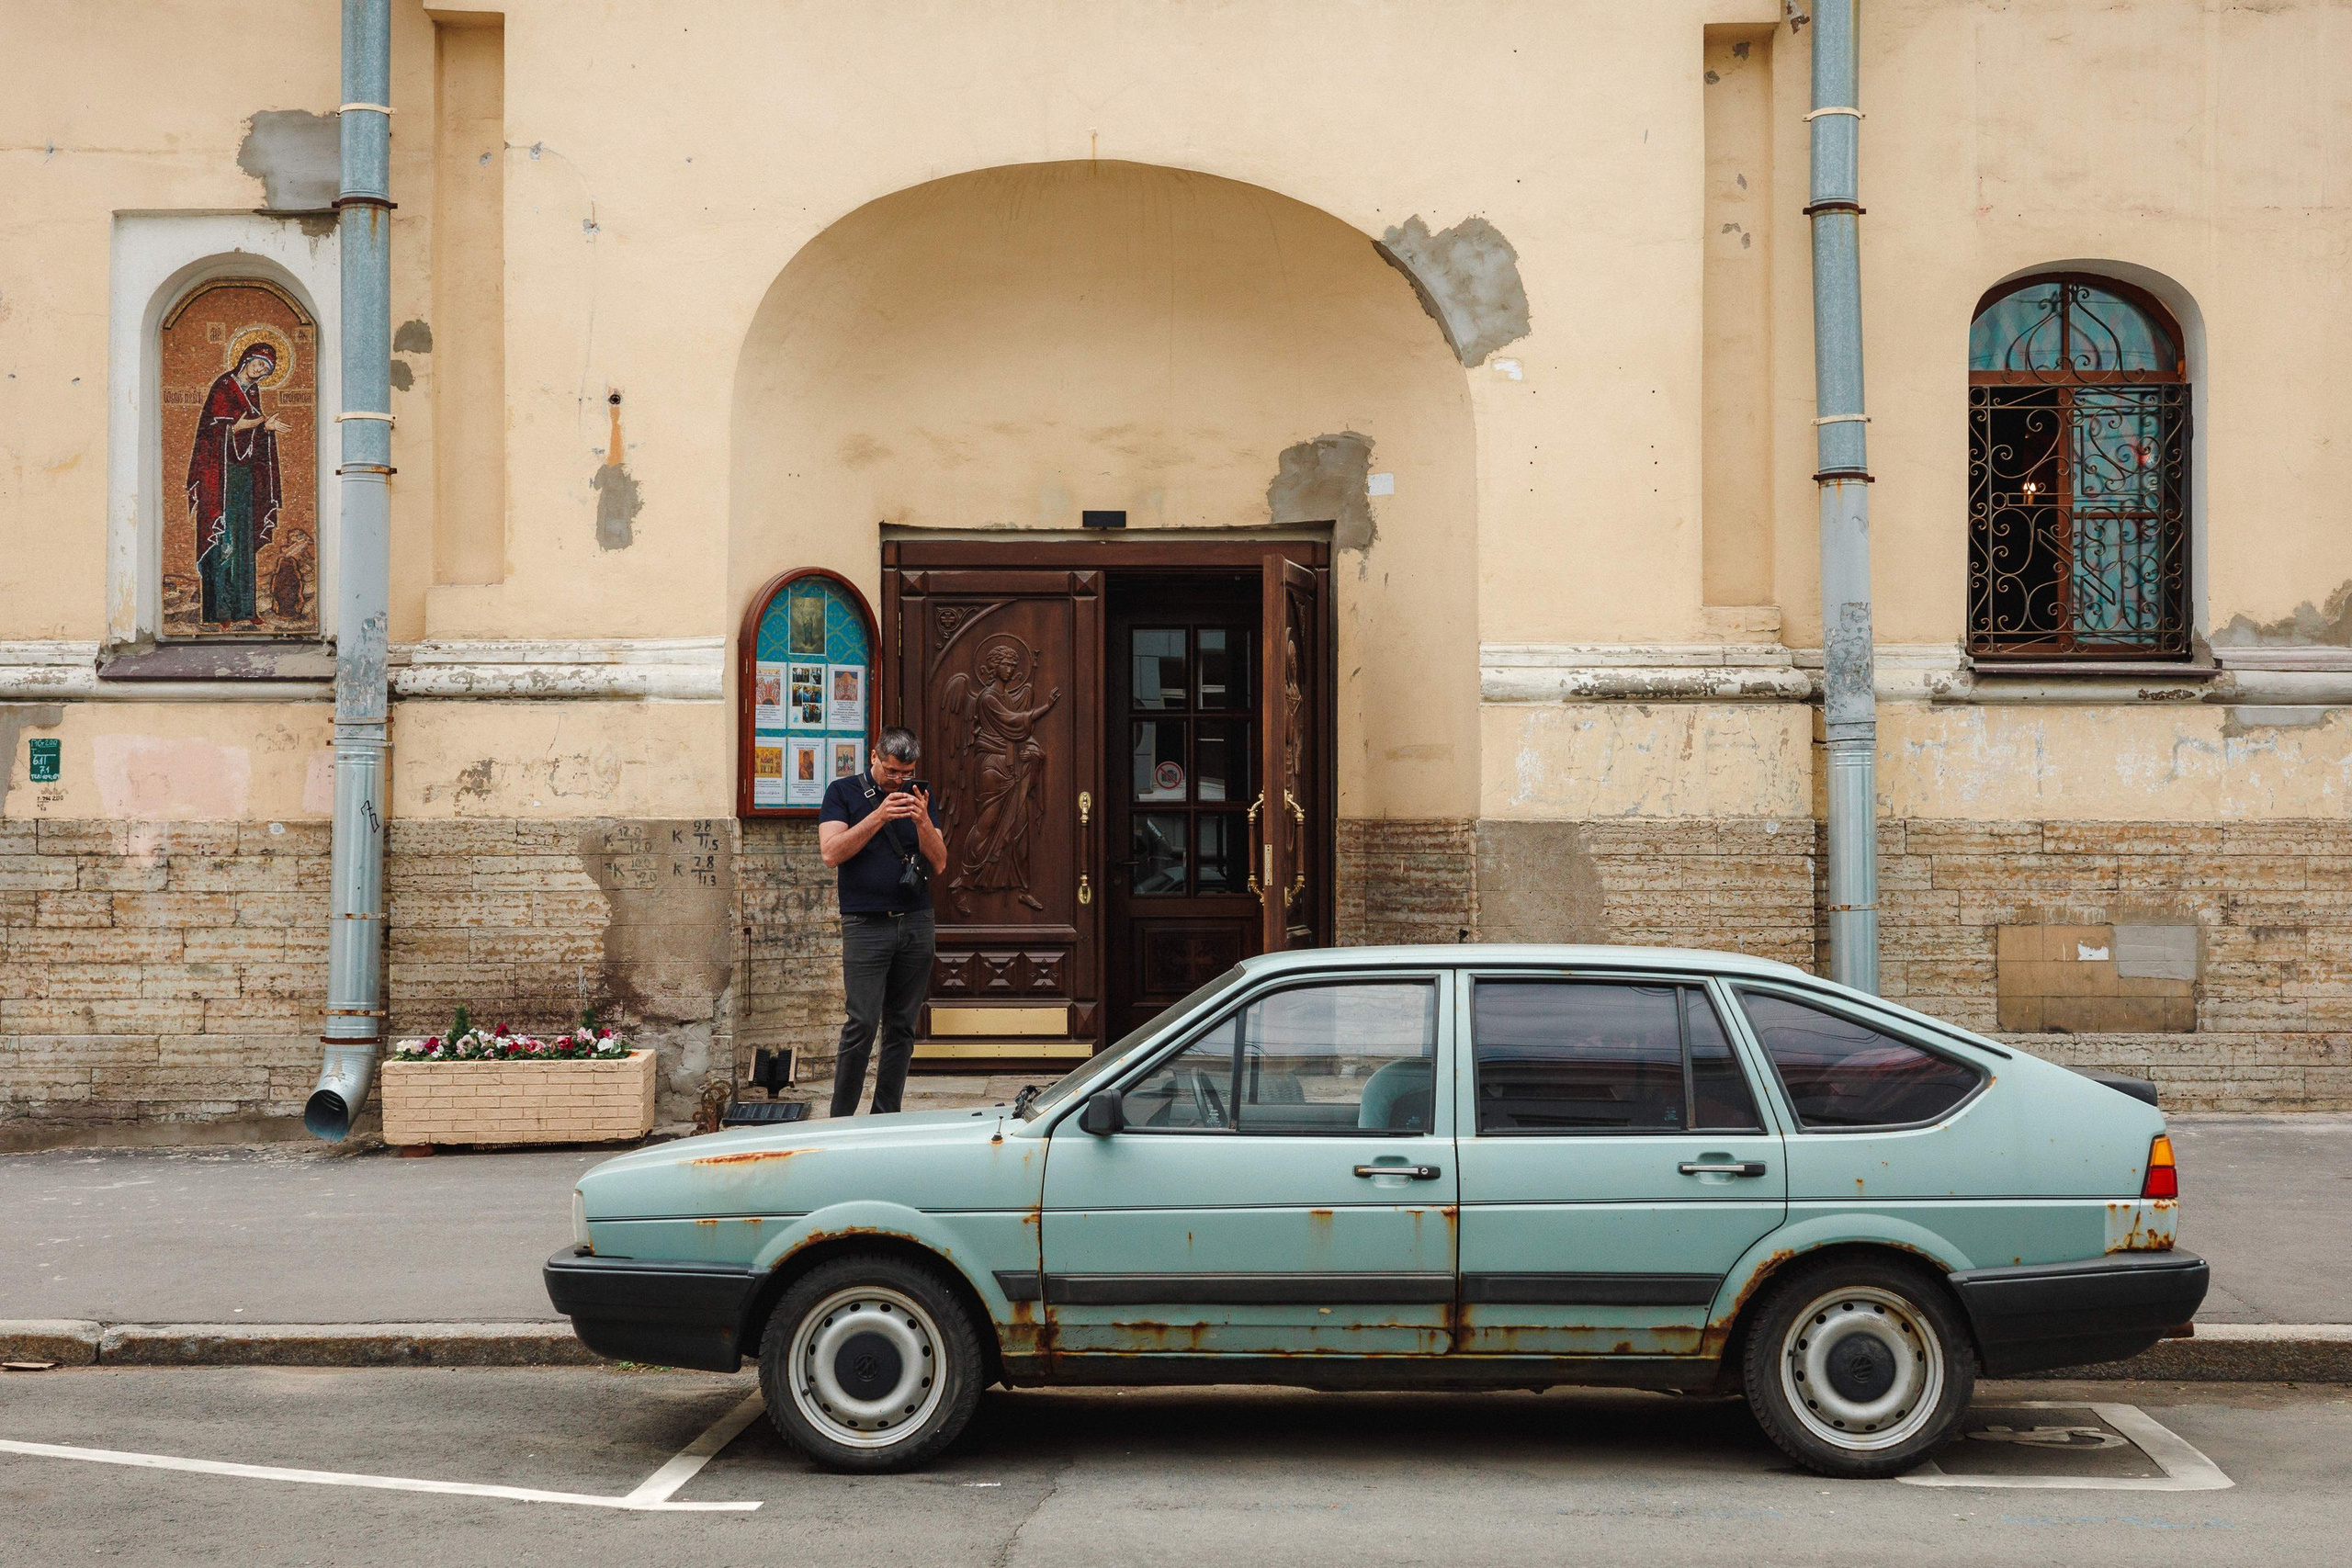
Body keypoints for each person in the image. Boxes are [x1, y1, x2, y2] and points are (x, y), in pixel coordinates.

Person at [818, 727, 949, 1116]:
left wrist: (923, 820)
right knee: (861, 1023)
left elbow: (940, 862)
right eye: (892, 771)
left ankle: (885, 1114)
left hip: (915, 922)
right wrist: (878, 816)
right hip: (865, 925)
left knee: (902, 1026)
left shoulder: (920, 797)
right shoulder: (841, 793)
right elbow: (831, 853)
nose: (899, 781)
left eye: (906, 773)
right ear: (873, 757)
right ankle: (841, 1117)